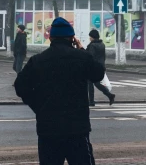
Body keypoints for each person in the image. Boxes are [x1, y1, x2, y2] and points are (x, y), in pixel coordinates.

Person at [14, 17, 105, 165]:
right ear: (72, 38)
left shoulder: (38, 60)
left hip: (48, 130)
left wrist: (38, 106)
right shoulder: (81, 58)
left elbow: (20, 86)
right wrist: (82, 48)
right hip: (76, 130)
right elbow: (98, 73)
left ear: (51, 38)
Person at [85, 29, 115, 106]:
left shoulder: (92, 45)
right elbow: (103, 57)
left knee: (91, 84)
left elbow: (90, 56)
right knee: (97, 83)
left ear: (93, 37)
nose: (89, 38)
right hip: (100, 66)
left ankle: (91, 101)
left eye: (90, 37)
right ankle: (110, 95)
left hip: (93, 67)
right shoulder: (102, 44)